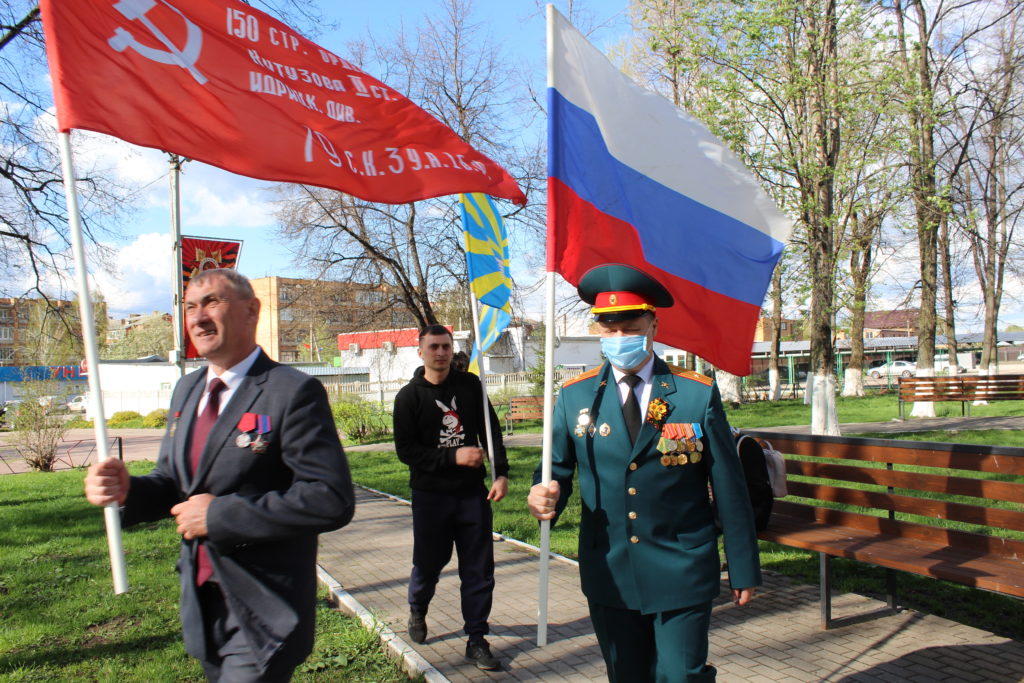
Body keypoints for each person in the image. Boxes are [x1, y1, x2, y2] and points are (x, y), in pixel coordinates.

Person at [84, 268, 355, 682]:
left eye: (211, 302)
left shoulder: (291, 391)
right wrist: (127, 491)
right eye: (190, 306)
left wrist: (220, 516)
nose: (197, 317)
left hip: (264, 608)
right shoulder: (187, 390)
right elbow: (174, 482)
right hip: (203, 601)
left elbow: (330, 498)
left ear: (251, 310)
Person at [527, 264, 761, 683]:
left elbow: (729, 486)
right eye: (609, 329)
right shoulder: (575, 396)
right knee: (627, 675)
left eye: (630, 326)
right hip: (610, 569)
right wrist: (541, 496)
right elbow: (555, 469)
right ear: (598, 330)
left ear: (653, 323)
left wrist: (742, 566)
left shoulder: (695, 393)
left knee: (681, 675)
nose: (620, 338)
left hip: (682, 564)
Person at [392, 324, 509, 670]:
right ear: (421, 352)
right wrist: (451, 457)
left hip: (472, 495)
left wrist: (500, 473)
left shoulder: (470, 386)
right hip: (431, 497)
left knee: (478, 570)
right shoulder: (408, 397)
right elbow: (406, 451)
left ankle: (476, 638)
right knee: (429, 564)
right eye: (434, 347)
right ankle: (418, 606)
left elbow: (492, 431)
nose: (441, 353)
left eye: (445, 346)